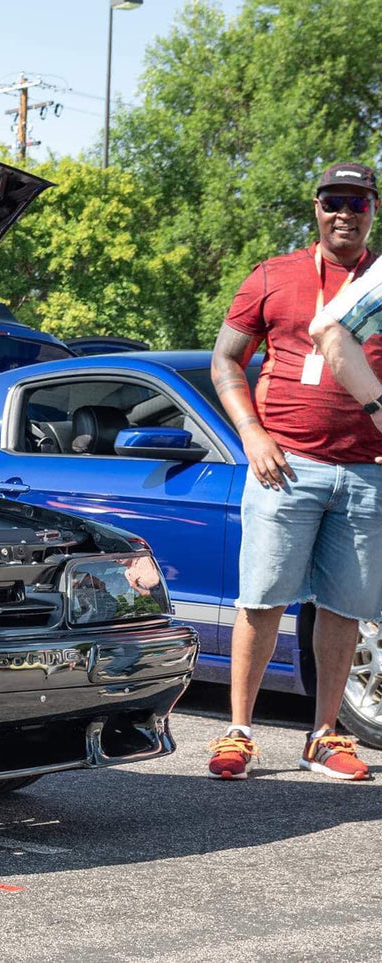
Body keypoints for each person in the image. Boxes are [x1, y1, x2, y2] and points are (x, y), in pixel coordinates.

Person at [208, 162, 381, 781]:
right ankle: (238, 732)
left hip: (366, 473)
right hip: (285, 467)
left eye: (358, 203)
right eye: (334, 201)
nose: (345, 213)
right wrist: (252, 434)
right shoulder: (273, 275)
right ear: (316, 207)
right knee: (261, 601)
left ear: (374, 210)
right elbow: (226, 360)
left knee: (344, 609)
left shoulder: (380, 282)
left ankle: (324, 736)